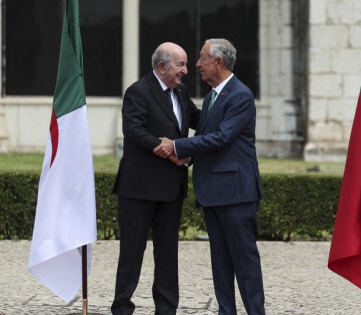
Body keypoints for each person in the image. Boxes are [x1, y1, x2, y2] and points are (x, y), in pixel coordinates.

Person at [154, 38, 266, 315]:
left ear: (219, 62)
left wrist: (177, 145)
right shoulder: (213, 96)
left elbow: (222, 137)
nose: (197, 64)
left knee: (244, 261)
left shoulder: (240, 95)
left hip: (236, 193)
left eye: (202, 58)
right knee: (221, 262)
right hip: (214, 192)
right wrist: (190, 154)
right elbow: (208, 137)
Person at [111, 42, 200, 315]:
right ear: (162, 66)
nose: (185, 70)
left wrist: (186, 150)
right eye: (180, 65)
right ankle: (122, 307)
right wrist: (165, 148)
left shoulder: (182, 92)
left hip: (171, 189)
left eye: (186, 64)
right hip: (139, 189)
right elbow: (134, 129)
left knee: (167, 255)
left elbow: (200, 120)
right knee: (131, 253)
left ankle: (166, 308)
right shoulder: (138, 91)